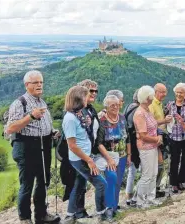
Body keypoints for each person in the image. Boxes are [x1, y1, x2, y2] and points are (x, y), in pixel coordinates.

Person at [6, 70, 60, 224]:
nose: (39, 85)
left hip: (44, 145)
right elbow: (10, 128)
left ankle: (41, 215)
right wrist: (31, 116)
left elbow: (44, 124)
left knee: (44, 181)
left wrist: (52, 132)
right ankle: (25, 218)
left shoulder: (41, 102)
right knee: (27, 183)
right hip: (26, 147)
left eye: (41, 82)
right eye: (36, 82)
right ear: (27, 85)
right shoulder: (19, 103)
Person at [61, 86, 109, 223]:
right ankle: (102, 212)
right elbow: (72, 145)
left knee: (79, 185)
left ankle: (70, 214)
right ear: (79, 98)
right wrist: (89, 160)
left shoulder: (80, 113)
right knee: (101, 183)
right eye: (86, 96)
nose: (88, 98)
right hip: (80, 158)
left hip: (83, 156)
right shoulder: (70, 118)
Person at [95, 94, 132, 218]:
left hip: (122, 156)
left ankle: (114, 206)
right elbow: (99, 143)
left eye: (117, 104)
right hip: (108, 157)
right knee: (111, 179)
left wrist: (129, 155)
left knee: (117, 182)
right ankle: (108, 208)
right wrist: (109, 159)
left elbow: (127, 138)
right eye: (112, 105)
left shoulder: (122, 118)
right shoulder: (102, 121)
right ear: (106, 106)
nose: (115, 107)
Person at [133, 85, 164, 208]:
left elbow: (153, 125)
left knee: (153, 173)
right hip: (146, 148)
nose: (153, 98)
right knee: (147, 175)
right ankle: (140, 201)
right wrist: (157, 138)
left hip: (153, 147)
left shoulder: (147, 110)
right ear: (147, 98)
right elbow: (143, 135)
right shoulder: (140, 113)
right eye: (151, 96)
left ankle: (151, 198)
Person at [165, 83, 185, 193]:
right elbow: (164, 118)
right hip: (173, 137)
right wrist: (166, 118)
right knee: (174, 160)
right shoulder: (169, 105)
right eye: (177, 92)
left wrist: (182, 121)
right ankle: (174, 183)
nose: (179, 94)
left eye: (181, 92)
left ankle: (181, 180)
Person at [148, 83, 171, 198]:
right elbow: (150, 124)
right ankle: (152, 190)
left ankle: (155, 189)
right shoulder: (152, 105)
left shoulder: (159, 104)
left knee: (160, 165)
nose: (164, 94)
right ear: (155, 92)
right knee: (158, 165)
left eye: (165, 91)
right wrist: (164, 121)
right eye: (162, 92)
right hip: (155, 139)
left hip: (160, 138)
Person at [124, 89, 140, 206]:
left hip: (128, 142)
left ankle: (128, 196)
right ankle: (136, 196)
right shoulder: (138, 110)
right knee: (143, 170)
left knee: (131, 170)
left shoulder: (128, 107)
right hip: (136, 142)